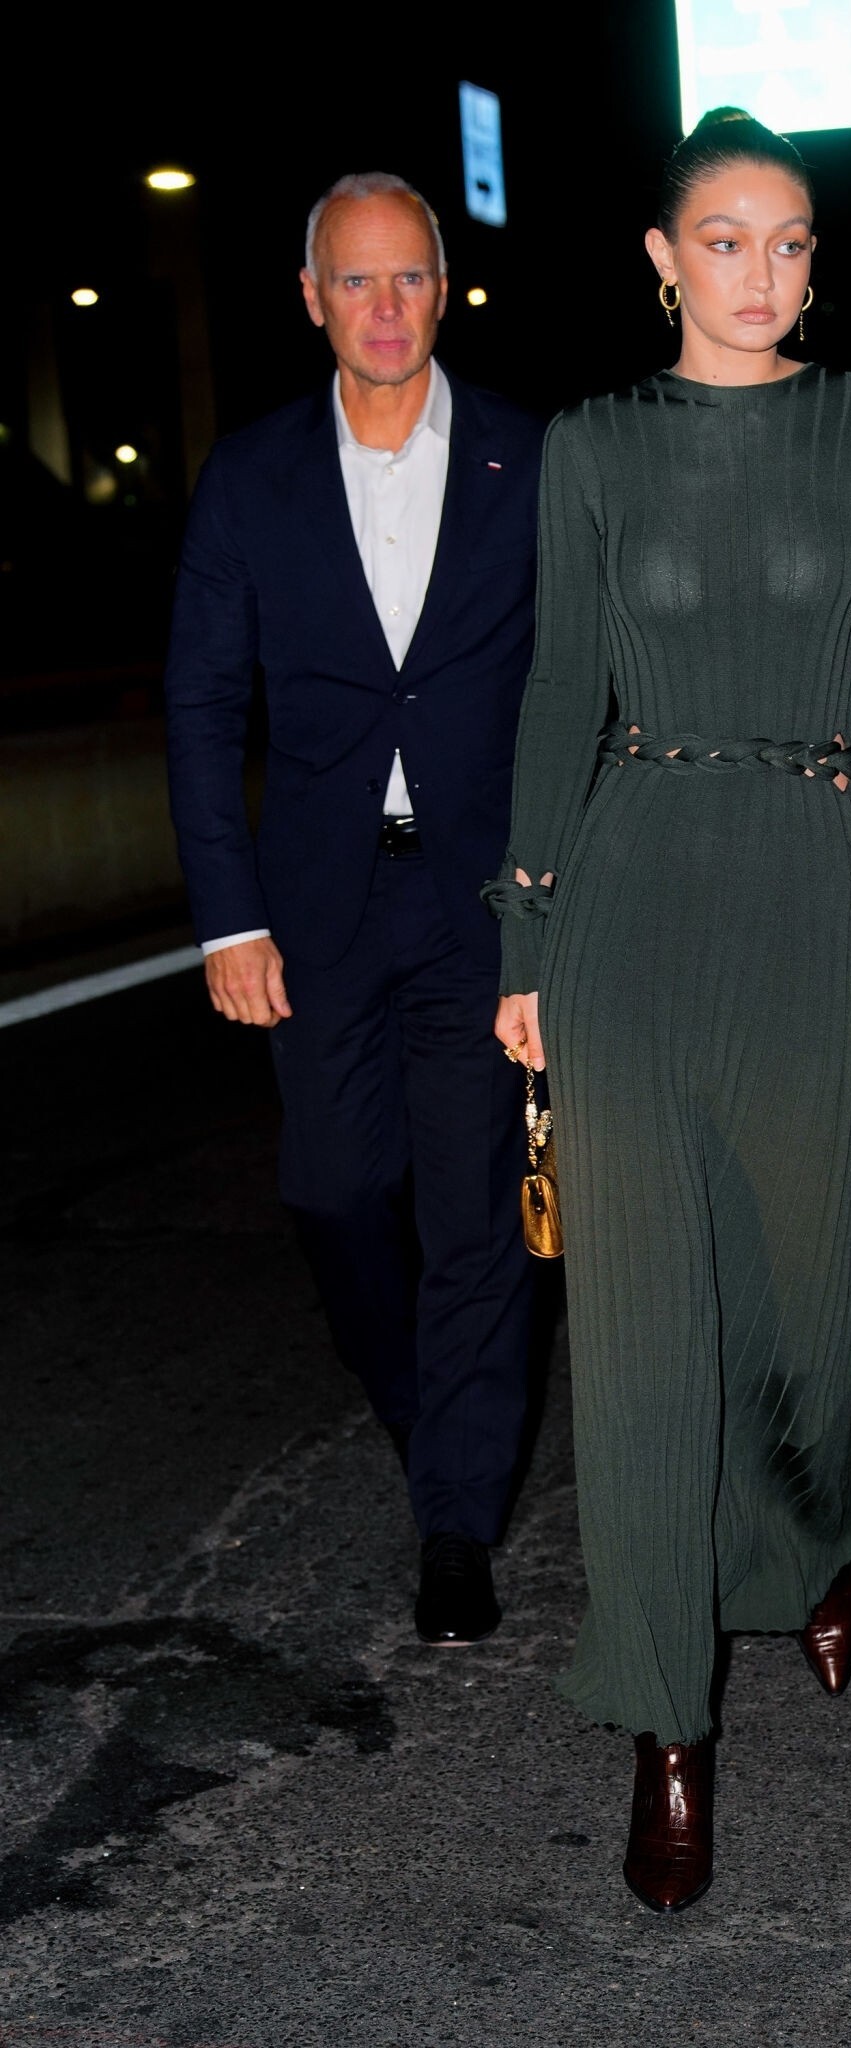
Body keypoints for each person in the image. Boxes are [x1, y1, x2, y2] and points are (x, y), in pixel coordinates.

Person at [486, 109, 851, 1914]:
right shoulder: (597, 446)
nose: (759, 273)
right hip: (629, 899)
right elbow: (560, 691)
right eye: (724, 240)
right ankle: (664, 1723)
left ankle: (819, 1527)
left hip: (799, 889)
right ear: (661, 257)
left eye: (788, 243)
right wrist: (525, 942)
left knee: (809, 1306)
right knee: (634, 1342)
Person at [165, 172, 545, 1647]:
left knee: (476, 1220)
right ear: (312, 297)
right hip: (318, 903)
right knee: (332, 1192)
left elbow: (577, 685)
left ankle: (456, 1523)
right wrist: (227, 919)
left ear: (443, 289)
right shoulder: (250, 476)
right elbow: (203, 706)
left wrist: (557, 901)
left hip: (480, 901)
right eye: (355, 280)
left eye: (408, 278)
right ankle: (426, 1415)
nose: (385, 308)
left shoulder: (528, 456)